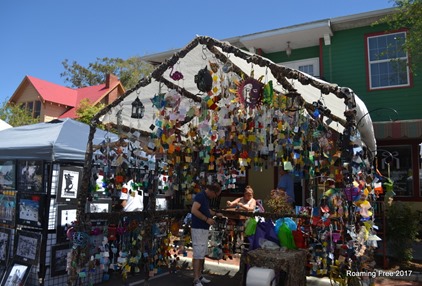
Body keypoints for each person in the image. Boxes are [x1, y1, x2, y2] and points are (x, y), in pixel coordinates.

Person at [190, 184, 223, 286]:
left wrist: (215, 214)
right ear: (212, 191)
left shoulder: (205, 198)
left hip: (203, 228)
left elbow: (206, 210)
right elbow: (194, 210)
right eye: (215, 194)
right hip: (198, 228)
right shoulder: (200, 196)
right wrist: (206, 219)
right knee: (198, 254)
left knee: (201, 253)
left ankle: (199, 276)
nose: (215, 197)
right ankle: (196, 279)